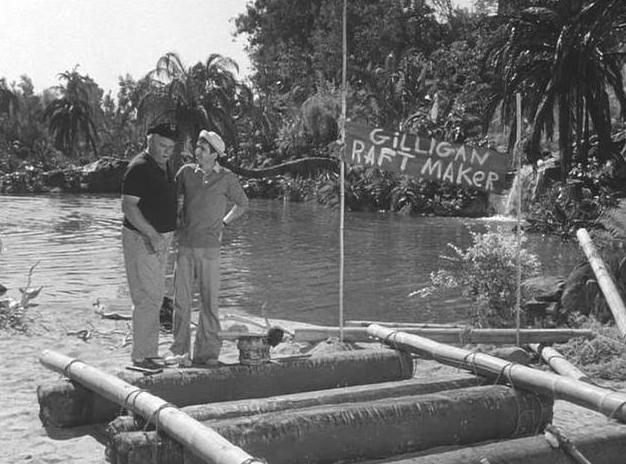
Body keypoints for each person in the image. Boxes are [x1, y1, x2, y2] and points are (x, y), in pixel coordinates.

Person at [169, 129, 248, 366]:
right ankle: (178, 352)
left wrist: (224, 222)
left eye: (203, 149)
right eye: (198, 147)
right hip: (185, 247)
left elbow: (243, 204)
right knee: (181, 302)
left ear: (215, 154)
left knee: (209, 303)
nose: (197, 152)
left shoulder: (227, 178)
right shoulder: (185, 173)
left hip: (211, 250)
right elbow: (172, 198)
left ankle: (207, 354)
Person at [121, 122, 178, 369]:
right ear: (149, 141)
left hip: (160, 239)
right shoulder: (139, 168)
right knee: (146, 296)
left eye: (171, 147)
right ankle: (142, 356)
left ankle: (149, 352)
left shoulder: (163, 166)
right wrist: (152, 234)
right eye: (163, 145)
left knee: (154, 295)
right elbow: (129, 207)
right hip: (143, 238)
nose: (167, 151)